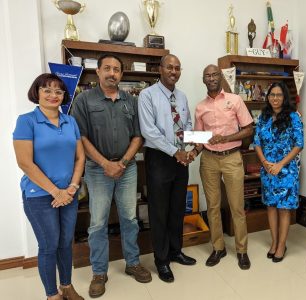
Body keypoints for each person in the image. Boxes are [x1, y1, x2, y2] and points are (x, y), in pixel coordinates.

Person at [71, 54, 151, 298]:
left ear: (121, 75)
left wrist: (123, 162)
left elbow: (138, 136)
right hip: (97, 170)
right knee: (97, 223)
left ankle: (133, 263)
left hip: (127, 169)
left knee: (129, 217)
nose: (112, 73)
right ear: (98, 72)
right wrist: (106, 163)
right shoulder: (83, 100)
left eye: (116, 69)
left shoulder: (130, 100)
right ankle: (99, 272)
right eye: (107, 68)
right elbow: (81, 138)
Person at [13, 73, 85, 300]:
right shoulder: (26, 121)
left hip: (69, 194)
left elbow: (80, 158)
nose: (53, 95)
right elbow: (25, 162)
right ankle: (52, 295)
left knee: (65, 242)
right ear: (37, 92)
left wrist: (72, 188)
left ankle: (66, 286)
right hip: (39, 196)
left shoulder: (70, 121)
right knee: (49, 245)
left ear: (64, 96)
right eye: (47, 90)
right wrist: (56, 192)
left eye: (58, 91)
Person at [138, 54, 197, 283]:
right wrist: (175, 152)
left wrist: (191, 147)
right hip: (159, 158)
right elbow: (149, 131)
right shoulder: (147, 95)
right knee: (159, 211)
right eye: (169, 67)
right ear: (160, 69)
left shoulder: (181, 97)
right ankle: (161, 260)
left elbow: (187, 124)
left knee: (177, 208)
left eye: (177, 68)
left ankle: (175, 251)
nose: (174, 71)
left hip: (180, 159)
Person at [192, 64, 253, 270]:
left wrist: (226, 138)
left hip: (232, 157)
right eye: (207, 75)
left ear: (220, 77)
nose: (211, 78)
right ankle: (218, 248)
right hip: (208, 159)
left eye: (214, 74)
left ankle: (242, 250)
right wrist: (192, 151)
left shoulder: (234, 100)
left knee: (237, 206)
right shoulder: (200, 107)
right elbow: (199, 138)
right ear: (203, 80)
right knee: (213, 207)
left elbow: (248, 129)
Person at [253, 82, 304, 263]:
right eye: (272, 95)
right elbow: (256, 141)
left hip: (286, 170)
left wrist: (280, 164)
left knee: (283, 208)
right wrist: (265, 162)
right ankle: (274, 242)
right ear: (268, 97)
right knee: (271, 206)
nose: (275, 98)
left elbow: (299, 144)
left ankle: (282, 245)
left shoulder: (293, 117)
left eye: (279, 95)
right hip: (267, 169)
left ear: (285, 97)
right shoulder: (263, 117)